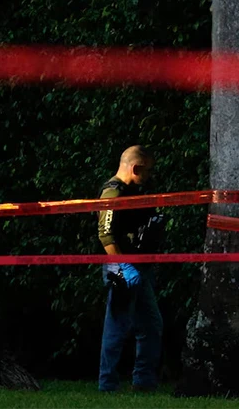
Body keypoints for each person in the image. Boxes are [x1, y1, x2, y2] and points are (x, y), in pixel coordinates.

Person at [97, 145, 165, 392]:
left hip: (138, 264)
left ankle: (144, 382)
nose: (148, 177)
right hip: (121, 265)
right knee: (117, 326)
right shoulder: (113, 193)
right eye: (146, 171)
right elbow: (106, 235)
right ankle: (108, 385)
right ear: (136, 168)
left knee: (151, 325)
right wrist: (123, 266)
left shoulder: (134, 191)